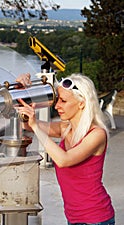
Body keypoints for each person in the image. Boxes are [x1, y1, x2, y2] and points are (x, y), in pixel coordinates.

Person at [15, 73, 115, 225]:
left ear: (81, 103)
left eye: (63, 101)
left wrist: (35, 125)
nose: (57, 106)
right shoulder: (65, 128)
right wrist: (22, 91)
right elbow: (26, 124)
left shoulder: (96, 134)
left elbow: (63, 160)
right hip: (73, 218)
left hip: (96, 218)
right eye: (57, 100)